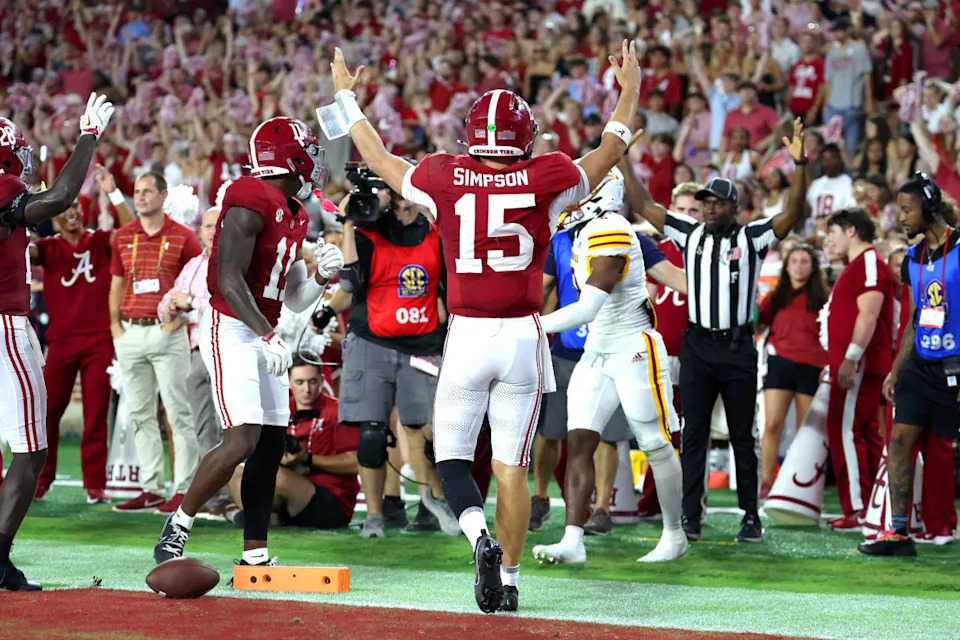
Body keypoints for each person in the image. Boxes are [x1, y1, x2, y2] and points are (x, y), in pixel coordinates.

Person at [321, 40, 641, 613]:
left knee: (451, 458)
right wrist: (630, 88)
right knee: (511, 468)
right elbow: (611, 147)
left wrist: (346, 96)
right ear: (525, 138)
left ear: (471, 136)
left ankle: (478, 537)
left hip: (468, 333)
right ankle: (510, 580)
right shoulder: (548, 175)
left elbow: (377, 155)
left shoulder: (442, 175)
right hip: (522, 336)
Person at [152, 117, 345, 568]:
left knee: (271, 444)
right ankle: (178, 524)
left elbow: (293, 298)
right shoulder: (249, 196)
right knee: (241, 439)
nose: (314, 160)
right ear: (288, 158)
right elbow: (228, 279)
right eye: (307, 151)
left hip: (263, 328)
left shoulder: (294, 212)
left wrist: (320, 276)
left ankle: (255, 552)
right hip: (232, 326)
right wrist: (268, 334)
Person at [626, 118, 810, 544]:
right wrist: (623, 160)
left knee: (743, 436)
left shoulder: (752, 237)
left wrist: (800, 165)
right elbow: (644, 205)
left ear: (735, 207)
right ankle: (690, 515)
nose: (709, 209)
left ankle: (750, 516)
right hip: (699, 346)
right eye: (705, 203)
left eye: (717, 203)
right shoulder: (689, 233)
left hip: (738, 348)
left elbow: (792, 214)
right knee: (693, 435)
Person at [530, 168, 687, 566]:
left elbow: (587, 307)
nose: (570, 198)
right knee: (579, 440)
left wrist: (528, 326)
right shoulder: (581, 231)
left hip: (633, 347)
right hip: (597, 348)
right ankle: (573, 540)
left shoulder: (611, 228)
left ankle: (675, 534)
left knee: (654, 442)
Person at [0, 93, 115, 590]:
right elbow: (60, 197)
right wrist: (88, 136)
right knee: (32, 450)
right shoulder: (4, 184)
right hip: (4, 325)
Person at [333, 184, 455, 540]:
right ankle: (375, 516)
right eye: (395, 198)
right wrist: (348, 223)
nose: (401, 207)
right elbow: (349, 282)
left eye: (406, 198)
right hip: (372, 341)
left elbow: (452, 292)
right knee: (372, 434)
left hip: (423, 345)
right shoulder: (367, 232)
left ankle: (434, 498)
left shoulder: (438, 235)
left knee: (433, 430)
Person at [861, 174, 960, 556]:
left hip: (954, 364)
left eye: (907, 209)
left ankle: (942, 524)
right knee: (900, 440)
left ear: (930, 208)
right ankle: (898, 533)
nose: (900, 217)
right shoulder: (914, 258)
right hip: (920, 363)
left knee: (944, 449)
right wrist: (897, 368)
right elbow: (917, 318)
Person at [32, 166, 134, 503]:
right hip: (61, 341)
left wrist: (113, 192)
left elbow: (130, 231)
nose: (72, 212)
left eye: (74, 205)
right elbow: (20, 248)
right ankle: (41, 479)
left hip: (98, 339)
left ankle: (95, 484)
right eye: (63, 208)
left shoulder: (100, 240)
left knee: (96, 414)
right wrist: (24, 209)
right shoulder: (46, 248)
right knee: (48, 412)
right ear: (53, 217)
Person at [109, 171, 203, 513]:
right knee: (140, 413)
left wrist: (179, 321)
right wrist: (115, 326)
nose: (141, 197)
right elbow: (117, 283)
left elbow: (197, 283)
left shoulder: (185, 237)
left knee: (179, 413)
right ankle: (151, 488)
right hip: (131, 331)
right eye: (137, 191)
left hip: (167, 332)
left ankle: (184, 489)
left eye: (148, 191)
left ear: (164, 196)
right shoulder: (122, 236)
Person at [820, 208, 892, 532]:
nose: (829, 239)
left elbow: (868, 314)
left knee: (844, 430)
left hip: (860, 364)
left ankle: (858, 508)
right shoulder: (861, 265)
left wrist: (851, 357)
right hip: (858, 362)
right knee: (864, 432)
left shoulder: (868, 263)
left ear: (851, 231)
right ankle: (875, 504)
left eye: (832, 232)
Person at [226, 359, 360, 530]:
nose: (307, 389)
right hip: (290, 492)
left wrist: (308, 459)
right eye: (300, 382)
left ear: (321, 381)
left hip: (332, 500)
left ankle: (258, 517)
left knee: (274, 475)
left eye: (312, 382)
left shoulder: (338, 410)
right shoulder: (280, 409)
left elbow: (355, 463)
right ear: (289, 383)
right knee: (233, 470)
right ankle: (265, 517)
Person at [157, 206, 227, 513]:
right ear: (200, 231)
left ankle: (228, 495)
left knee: (227, 428)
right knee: (202, 426)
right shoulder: (194, 265)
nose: (212, 231)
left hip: (226, 349)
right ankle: (211, 495)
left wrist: (191, 302)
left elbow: (227, 303)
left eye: (218, 225)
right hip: (199, 351)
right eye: (208, 226)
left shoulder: (234, 260)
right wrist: (169, 308)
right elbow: (170, 297)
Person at [756, 244, 828, 498]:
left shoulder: (823, 297)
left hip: (812, 366)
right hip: (780, 364)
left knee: (805, 430)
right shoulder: (776, 296)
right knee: (772, 425)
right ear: (786, 267)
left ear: (813, 266)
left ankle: (798, 486)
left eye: (804, 261)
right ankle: (766, 482)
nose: (799, 266)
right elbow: (759, 325)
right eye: (794, 261)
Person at [823, 17, 873, 152]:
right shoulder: (832, 53)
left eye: (839, 31)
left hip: (852, 102)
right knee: (830, 143)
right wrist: (826, 103)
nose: (836, 34)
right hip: (833, 103)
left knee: (851, 144)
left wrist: (868, 101)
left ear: (847, 31)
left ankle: (850, 165)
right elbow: (828, 80)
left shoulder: (859, 50)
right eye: (835, 31)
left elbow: (866, 76)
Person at [806, 143, 856, 231]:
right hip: (815, 228)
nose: (828, 162)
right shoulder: (816, 183)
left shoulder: (848, 182)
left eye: (831, 158)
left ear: (839, 159)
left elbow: (850, 209)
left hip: (837, 228)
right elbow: (808, 208)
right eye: (825, 159)